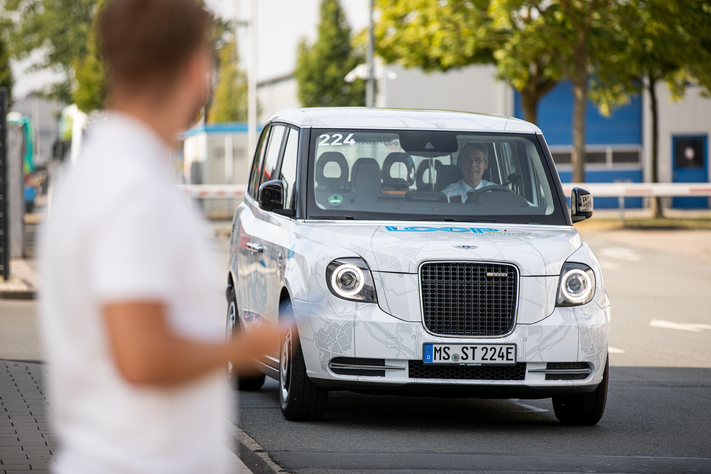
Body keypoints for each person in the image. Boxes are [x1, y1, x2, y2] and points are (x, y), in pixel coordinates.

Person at [38, 1, 284, 473]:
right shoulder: (133, 188)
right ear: (196, 69)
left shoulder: (96, 173)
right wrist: (246, 347)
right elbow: (143, 355)